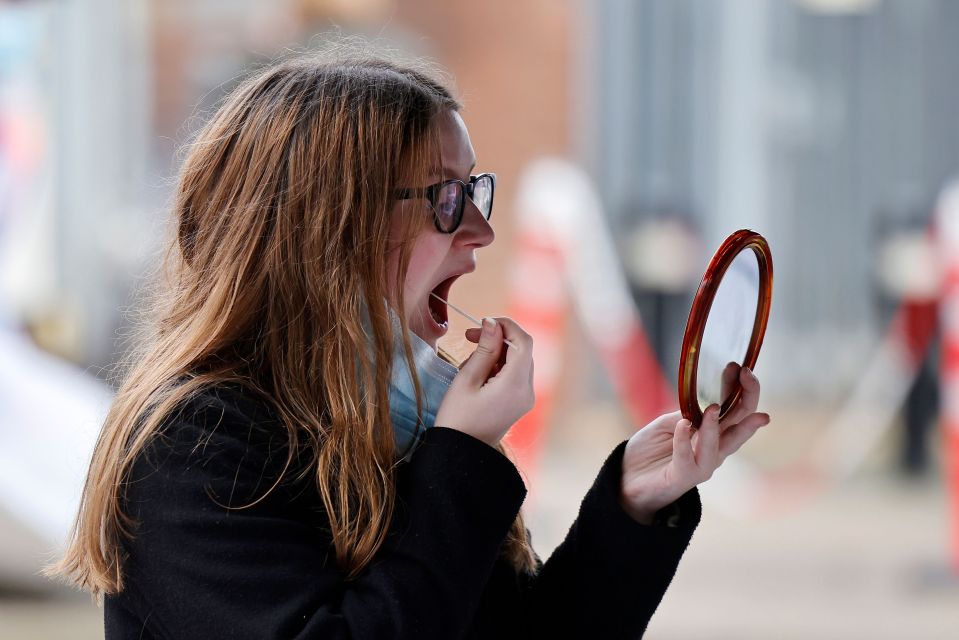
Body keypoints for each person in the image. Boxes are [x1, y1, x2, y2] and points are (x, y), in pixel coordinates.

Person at [46, 50, 770, 639]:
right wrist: (461, 459)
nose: (481, 233)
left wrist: (631, 505)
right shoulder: (196, 440)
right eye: (444, 200)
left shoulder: (402, 410)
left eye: (474, 192)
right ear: (329, 223)